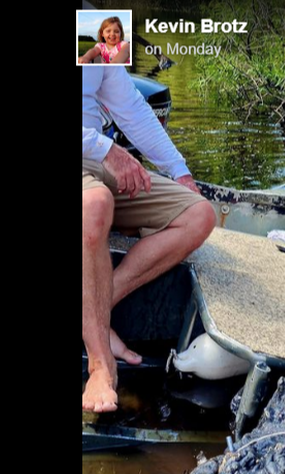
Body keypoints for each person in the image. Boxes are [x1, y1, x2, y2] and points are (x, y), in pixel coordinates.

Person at [82, 65, 216, 412]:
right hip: (98, 156)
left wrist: (180, 171)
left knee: (199, 215)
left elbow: (132, 107)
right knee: (96, 203)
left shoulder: (94, 26)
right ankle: (99, 366)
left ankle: (100, 310)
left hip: (96, 157)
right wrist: (109, 151)